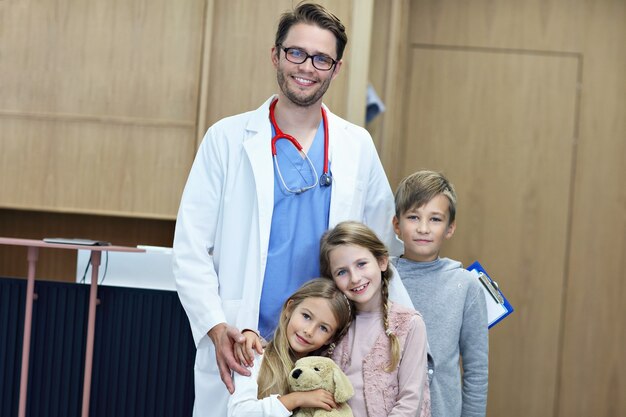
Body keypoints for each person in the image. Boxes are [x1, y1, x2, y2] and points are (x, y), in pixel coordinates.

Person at [172, 3, 405, 416]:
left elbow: (382, 253)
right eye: (296, 53)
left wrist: (400, 335)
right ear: (276, 54)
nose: (307, 67)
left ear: (336, 68)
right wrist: (215, 326)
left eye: (321, 59)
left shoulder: (357, 148)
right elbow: (190, 248)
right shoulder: (226, 139)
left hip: (327, 352)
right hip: (244, 345)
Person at [391, 170, 489, 417]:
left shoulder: (466, 286)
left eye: (435, 219)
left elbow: (476, 370)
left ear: (450, 228)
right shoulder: (381, 277)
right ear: (396, 225)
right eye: (413, 217)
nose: (423, 228)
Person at [319, 221, 431, 417]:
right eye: (342, 272)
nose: (354, 278)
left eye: (361, 264)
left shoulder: (409, 324)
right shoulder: (333, 324)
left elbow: (410, 402)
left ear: (381, 261)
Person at [228, 278, 353, 416]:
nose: (309, 331)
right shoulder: (254, 355)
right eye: (306, 316)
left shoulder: (321, 377)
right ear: (290, 308)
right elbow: (239, 412)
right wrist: (297, 399)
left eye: (323, 328)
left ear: (330, 339)